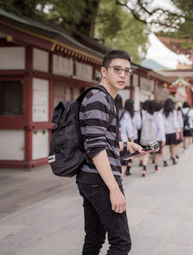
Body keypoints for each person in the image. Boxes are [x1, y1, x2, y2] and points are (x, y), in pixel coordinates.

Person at [77, 50, 144, 255]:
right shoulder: (99, 98)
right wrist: (114, 189)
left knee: (94, 239)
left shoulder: (105, 98)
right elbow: (96, 147)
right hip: (101, 181)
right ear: (104, 71)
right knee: (121, 243)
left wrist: (125, 146)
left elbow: (100, 140)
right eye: (117, 69)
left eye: (127, 71)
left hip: (91, 178)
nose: (123, 75)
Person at [140, 100, 165, 175]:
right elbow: (161, 128)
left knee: (146, 153)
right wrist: (163, 139)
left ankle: (144, 169)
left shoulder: (144, 114)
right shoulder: (158, 115)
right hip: (155, 139)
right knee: (156, 153)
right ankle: (156, 167)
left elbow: (141, 125)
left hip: (145, 138)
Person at [115, 95, 134, 177]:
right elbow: (129, 128)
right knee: (123, 162)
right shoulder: (125, 113)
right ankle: (120, 180)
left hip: (111, 140)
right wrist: (132, 140)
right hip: (123, 141)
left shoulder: (108, 111)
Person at [161, 98, 180, 166]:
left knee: (163, 147)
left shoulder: (161, 112)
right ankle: (173, 158)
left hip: (164, 132)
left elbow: (161, 123)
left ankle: (164, 160)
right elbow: (175, 123)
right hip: (172, 131)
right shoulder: (174, 112)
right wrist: (177, 133)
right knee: (173, 146)